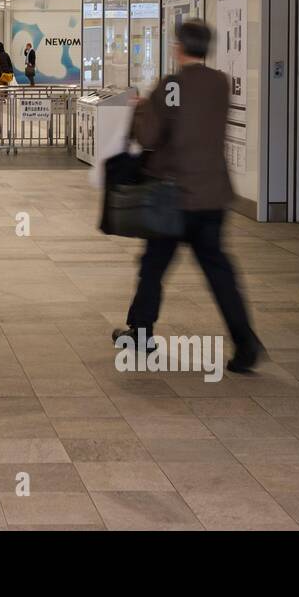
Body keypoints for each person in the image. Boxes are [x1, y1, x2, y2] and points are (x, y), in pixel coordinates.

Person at [112, 20, 262, 373]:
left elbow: (148, 137)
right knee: (219, 272)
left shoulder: (171, 85)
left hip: (174, 198)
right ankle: (246, 343)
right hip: (213, 196)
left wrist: (142, 106)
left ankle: (142, 333)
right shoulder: (219, 82)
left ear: (179, 47)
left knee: (152, 266)